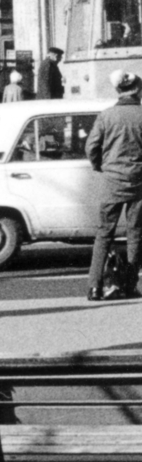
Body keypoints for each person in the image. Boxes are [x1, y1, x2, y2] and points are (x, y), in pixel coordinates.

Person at [85, 68, 142, 301]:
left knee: (104, 235)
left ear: (119, 91)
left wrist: (100, 166)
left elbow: (91, 147)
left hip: (111, 182)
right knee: (136, 234)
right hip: (139, 182)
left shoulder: (106, 116)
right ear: (137, 91)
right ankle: (129, 285)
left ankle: (94, 287)